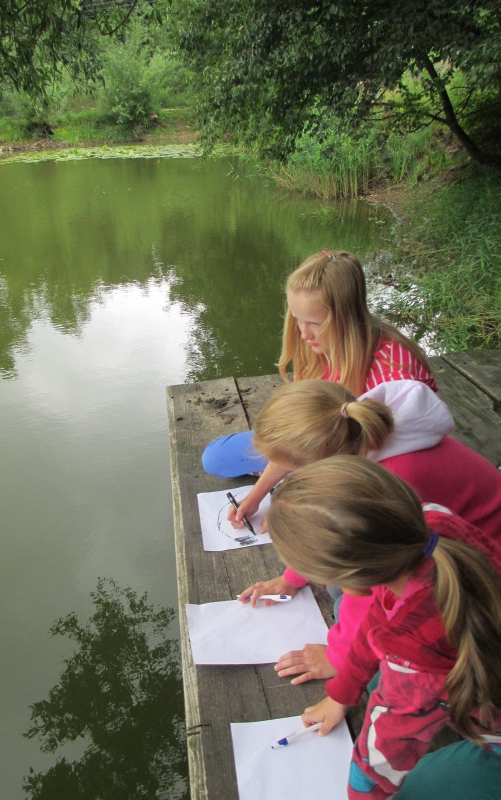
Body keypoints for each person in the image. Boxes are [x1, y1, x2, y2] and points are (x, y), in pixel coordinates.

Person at [237, 378, 501, 683]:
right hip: (441, 539)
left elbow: (371, 576)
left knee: (375, 669)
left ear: (328, 462)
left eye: (296, 471)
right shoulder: (347, 426)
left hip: (479, 567)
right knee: (336, 582)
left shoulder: (387, 481)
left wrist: (336, 657)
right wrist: (291, 579)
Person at [267, 457, 501, 800]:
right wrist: (341, 692)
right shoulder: (429, 525)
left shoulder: (413, 659)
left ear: (346, 581)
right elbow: (377, 619)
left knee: (419, 789)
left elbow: (382, 760)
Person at [202, 249, 436, 479]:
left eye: (315, 323)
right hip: (315, 441)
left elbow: (392, 463)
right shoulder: (318, 344)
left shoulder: (395, 373)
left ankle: (295, 470)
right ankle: (293, 468)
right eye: (297, 319)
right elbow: (299, 427)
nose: (304, 334)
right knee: (215, 457)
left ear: (347, 317)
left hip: (365, 460)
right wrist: (256, 494)